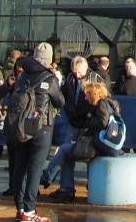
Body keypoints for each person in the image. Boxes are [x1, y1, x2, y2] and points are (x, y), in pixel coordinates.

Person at [6, 43, 64, 222]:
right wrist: (58, 81)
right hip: (41, 127)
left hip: (21, 126)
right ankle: (29, 210)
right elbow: (59, 102)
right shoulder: (50, 79)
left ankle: (19, 208)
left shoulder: (22, 76)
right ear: (49, 59)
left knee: (19, 167)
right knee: (35, 169)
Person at [49, 79, 121, 204]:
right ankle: (55, 181)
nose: (85, 98)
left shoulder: (101, 104)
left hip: (99, 145)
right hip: (104, 144)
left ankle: (47, 177)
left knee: (65, 149)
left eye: (87, 95)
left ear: (93, 94)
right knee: (67, 151)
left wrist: (90, 119)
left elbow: (102, 122)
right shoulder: (109, 103)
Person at [41, 57, 99, 187]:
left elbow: (102, 98)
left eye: (79, 72)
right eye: (74, 72)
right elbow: (64, 94)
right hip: (73, 121)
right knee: (67, 156)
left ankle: (93, 186)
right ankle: (66, 188)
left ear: (86, 68)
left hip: (87, 122)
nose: (77, 75)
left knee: (90, 156)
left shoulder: (95, 79)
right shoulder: (69, 78)